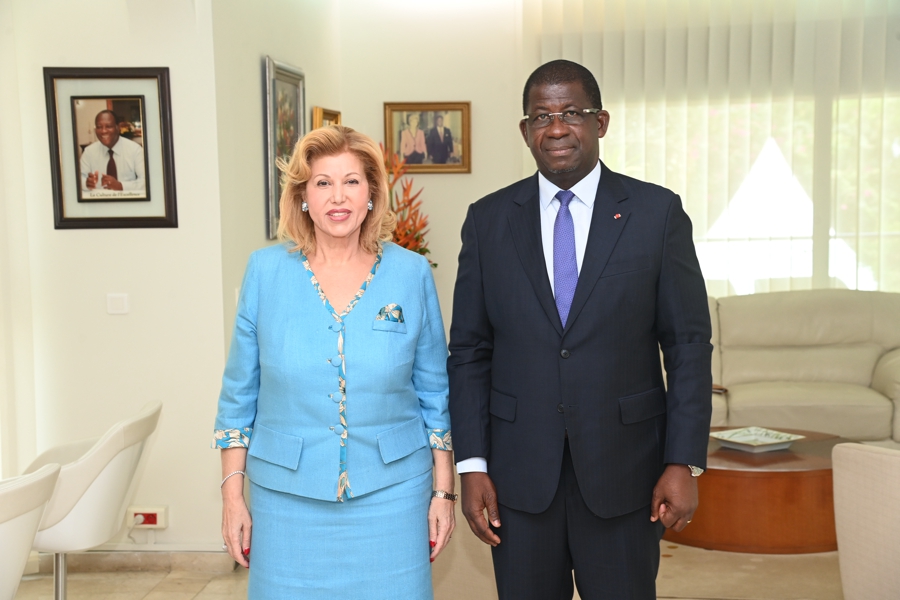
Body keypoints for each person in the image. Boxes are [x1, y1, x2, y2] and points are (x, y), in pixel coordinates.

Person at [447, 59, 712, 599]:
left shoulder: (656, 214)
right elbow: (470, 351)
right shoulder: (488, 220)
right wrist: (471, 464)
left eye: (572, 112)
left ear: (601, 122)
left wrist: (682, 460)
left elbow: (687, 345)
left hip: (625, 474)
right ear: (526, 131)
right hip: (518, 480)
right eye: (542, 116)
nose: (557, 127)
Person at [213, 125, 455, 599]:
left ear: (371, 193)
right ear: (302, 195)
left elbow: (435, 393)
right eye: (323, 182)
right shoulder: (264, 272)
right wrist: (231, 497)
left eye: (352, 181)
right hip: (286, 499)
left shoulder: (410, 272)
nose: (338, 196)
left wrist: (443, 492)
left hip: (393, 495)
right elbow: (238, 396)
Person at [79, 110, 145, 194]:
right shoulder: (89, 152)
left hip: (128, 203)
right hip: (98, 204)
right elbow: (77, 180)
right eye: (99, 127)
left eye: (109, 126)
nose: (103, 131)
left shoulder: (135, 150)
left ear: (118, 128)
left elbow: (146, 182)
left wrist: (121, 186)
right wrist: (86, 183)